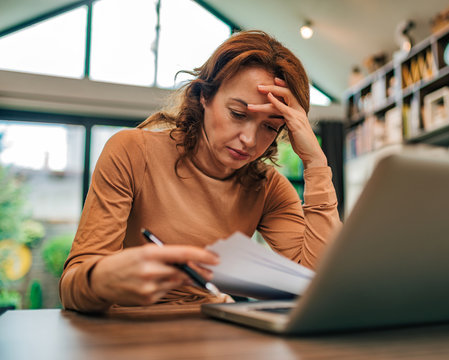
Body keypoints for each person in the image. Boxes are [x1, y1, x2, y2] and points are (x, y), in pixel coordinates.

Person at [60, 30, 341, 313]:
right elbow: (72, 288)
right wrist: (104, 279)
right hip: (131, 330)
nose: (249, 139)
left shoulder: (267, 188)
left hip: (216, 329)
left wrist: (316, 163)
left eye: (270, 126)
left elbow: (320, 285)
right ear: (203, 96)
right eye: (238, 114)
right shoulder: (132, 151)